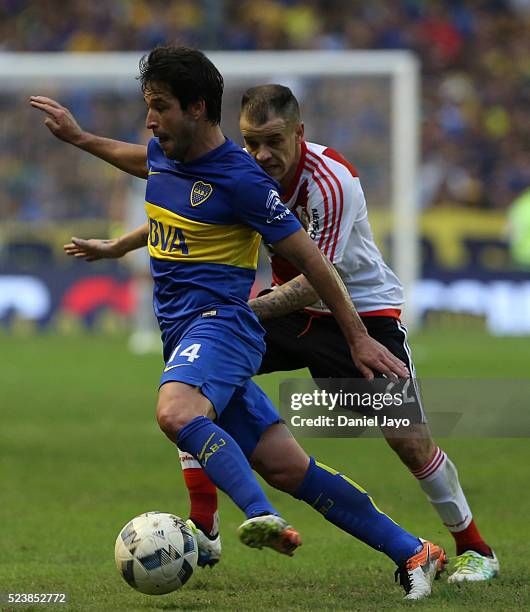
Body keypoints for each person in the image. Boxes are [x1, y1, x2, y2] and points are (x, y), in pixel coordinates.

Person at [31, 48, 447, 600]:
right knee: (287, 466)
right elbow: (144, 164)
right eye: (148, 106)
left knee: (176, 412)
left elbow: (316, 261)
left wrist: (357, 337)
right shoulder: (167, 154)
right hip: (183, 333)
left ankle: (250, 517)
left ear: (199, 109)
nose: (150, 119)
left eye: (160, 107)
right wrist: (84, 149)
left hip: (222, 325)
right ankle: (414, 550)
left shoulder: (244, 179)